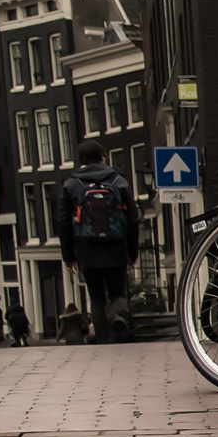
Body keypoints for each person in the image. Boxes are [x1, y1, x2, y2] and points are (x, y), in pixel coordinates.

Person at [57, 142, 139, 344]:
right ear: (103, 157)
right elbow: (133, 219)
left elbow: (63, 221)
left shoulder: (70, 184)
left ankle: (102, 338)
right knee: (117, 290)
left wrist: (68, 256)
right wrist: (132, 252)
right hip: (116, 244)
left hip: (86, 247)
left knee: (96, 296)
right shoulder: (119, 181)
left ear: (80, 160)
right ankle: (120, 317)